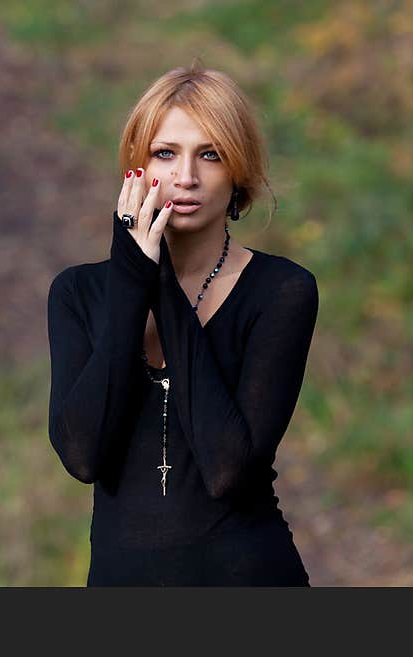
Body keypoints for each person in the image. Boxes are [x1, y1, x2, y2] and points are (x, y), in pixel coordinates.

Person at [46, 62, 319, 586]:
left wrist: (157, 280)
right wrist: (131, 280)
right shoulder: (78, 294)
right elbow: (83, 455)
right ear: (137, 166)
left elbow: (227, 469)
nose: (186, 177)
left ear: (237, 171)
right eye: (165, 153)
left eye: (210, 155)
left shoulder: (282, 291)